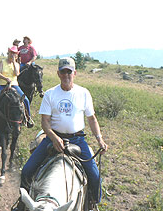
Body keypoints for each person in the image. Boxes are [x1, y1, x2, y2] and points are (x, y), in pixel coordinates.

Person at [13, 57, 108, 210]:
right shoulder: (51, 94)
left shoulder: (83, 93)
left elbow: (92, 119)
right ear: (58, 74)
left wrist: (100, 140)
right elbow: (45, 122)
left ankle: (92, 204)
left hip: (77, 139)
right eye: (63, 72)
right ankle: (22, 204)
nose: (66, 75)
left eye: (69, 72)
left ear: (74, 73)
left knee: (95, 177)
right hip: (53, 138)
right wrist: (54, 137)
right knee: (27, 170)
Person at [0, 46, 34, 130]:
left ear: (16, 55)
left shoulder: (16, 64)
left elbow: (17, 74)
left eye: (15, 54)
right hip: (1, 85)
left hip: (14, 85)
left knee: (25, 99)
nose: (13, 55)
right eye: (11, 53)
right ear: (8, 53)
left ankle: (28, 118)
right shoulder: (2, 62)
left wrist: (15, 63)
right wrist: (6, 79)